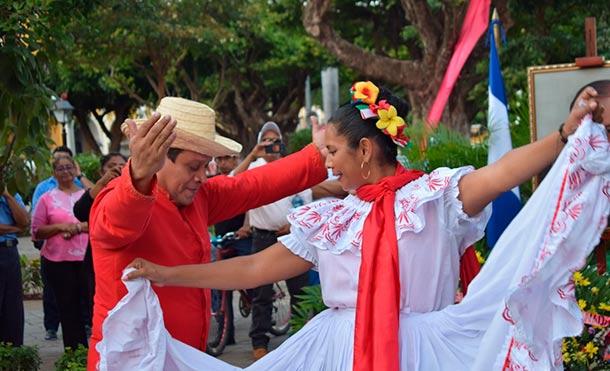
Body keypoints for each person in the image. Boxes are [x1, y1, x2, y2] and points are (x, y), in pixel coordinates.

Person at [126, 82, 610, 370]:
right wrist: (168, 274)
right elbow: (254, 269)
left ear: (363, 150)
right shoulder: (333, 217)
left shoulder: (432, 198)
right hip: (339, 349)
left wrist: (564, 136)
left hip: (420, 349)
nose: (327, 165)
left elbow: (502, 173)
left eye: (332, 152)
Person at [86, 97, 328, 369]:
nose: (202, 176)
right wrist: (139, 175)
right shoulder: (119, 197)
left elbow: (253, 185)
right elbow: (116, 222)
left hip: (185, 356)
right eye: (193, 167)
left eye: (206, 166)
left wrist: (318, 155)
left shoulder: (198, 197)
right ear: (159, 158)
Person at [233, 121, 312, 359]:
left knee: (299, 291)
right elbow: (230, 183)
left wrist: (294, 223)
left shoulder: (290, 167)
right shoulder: (253, 167)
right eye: (265, 140)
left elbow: (305, 198)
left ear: (282, 142)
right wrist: (253, 154)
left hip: (292, 237)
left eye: (274, 140)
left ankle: (298, 338)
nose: (270, 145)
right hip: (263, 237)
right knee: (261, 293)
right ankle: (259, 342)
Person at [31, 145, 92, 341]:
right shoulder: (46, 198)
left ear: (75, 170)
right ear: (53, 174)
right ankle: (73, 354)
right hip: (58, 261)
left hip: (87, 258)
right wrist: (60, 228)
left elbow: (101, 222)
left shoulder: (86, 195)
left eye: (69, 167)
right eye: (60, 168)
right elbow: (36, 231)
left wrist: (77, 228)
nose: (65, 172)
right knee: (68, 308)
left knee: (92, 305)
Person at [73, 152, 127, 335]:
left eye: (122, 164)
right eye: (112, 165)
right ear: (101, 170)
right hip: (99, 262)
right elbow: (80, 212)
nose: (118, 168)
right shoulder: (99, 191)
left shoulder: (133, 190)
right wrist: (103, 182)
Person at [211, 153, 253, 346]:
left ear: (236, 159)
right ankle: (226, 333)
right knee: (220, 284)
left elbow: (252, 205)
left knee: (254, 277)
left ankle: (260, 306)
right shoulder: (212, 182)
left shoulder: (241, 178)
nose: (222, 163)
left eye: (227, 158)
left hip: (241, 235)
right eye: (219, 159)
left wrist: (246, 226)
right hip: (222, 238)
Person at [0, 187, 29, 346]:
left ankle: (14, 353)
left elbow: (24, 221)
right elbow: (20, 227)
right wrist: (14, 228)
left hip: (9, 251)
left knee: (12, 307)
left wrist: (6, 194)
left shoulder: (10, 192)